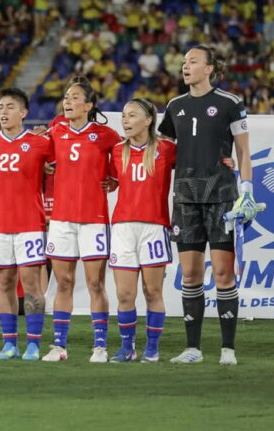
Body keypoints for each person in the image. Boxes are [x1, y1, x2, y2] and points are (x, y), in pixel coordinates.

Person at [158, 45, 254, 366]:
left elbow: (243, 151)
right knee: (190, 274)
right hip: (185, 198)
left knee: (224, 273)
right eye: (184, 62)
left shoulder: (230, 104)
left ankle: (228, 349)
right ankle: (193, 348)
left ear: (209, 68)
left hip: (222, 197)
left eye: (193, 61)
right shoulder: (174, 106)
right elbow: (164, 155)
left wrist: (247, 188)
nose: (186, 66)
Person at [42, 77, 121, 363]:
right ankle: (59, 346)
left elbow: (122, 162)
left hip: (93, 219)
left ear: (88, 105)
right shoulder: (55, 131)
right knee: (63, 282)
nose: (68, 101)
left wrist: (112, 180)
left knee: (95, 283)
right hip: (62, 219)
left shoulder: (106, 135)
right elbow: (43, 160)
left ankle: (100, 346)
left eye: (75, 97)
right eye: (66, 97)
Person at [0, 88, 52, 360]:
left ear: (23, 113)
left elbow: (61, 169)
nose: (4, 112)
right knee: (4, 283)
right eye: (0, 107)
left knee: (32, 285)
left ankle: (33, 343)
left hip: (30, 224)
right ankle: (9, 344)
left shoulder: (41, 143)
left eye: (10, 107)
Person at [107, 99, 175, 363]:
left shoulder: (166, 149)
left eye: (132, 115)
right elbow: (109, 181)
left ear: (148, 120)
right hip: (123, 227)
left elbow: (196, 160)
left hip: (154, 227)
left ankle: (152, 347)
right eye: (124, 115)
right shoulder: (115, 151)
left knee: (152, 292)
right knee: (125, 294)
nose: (125, 120)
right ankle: (127, 347)